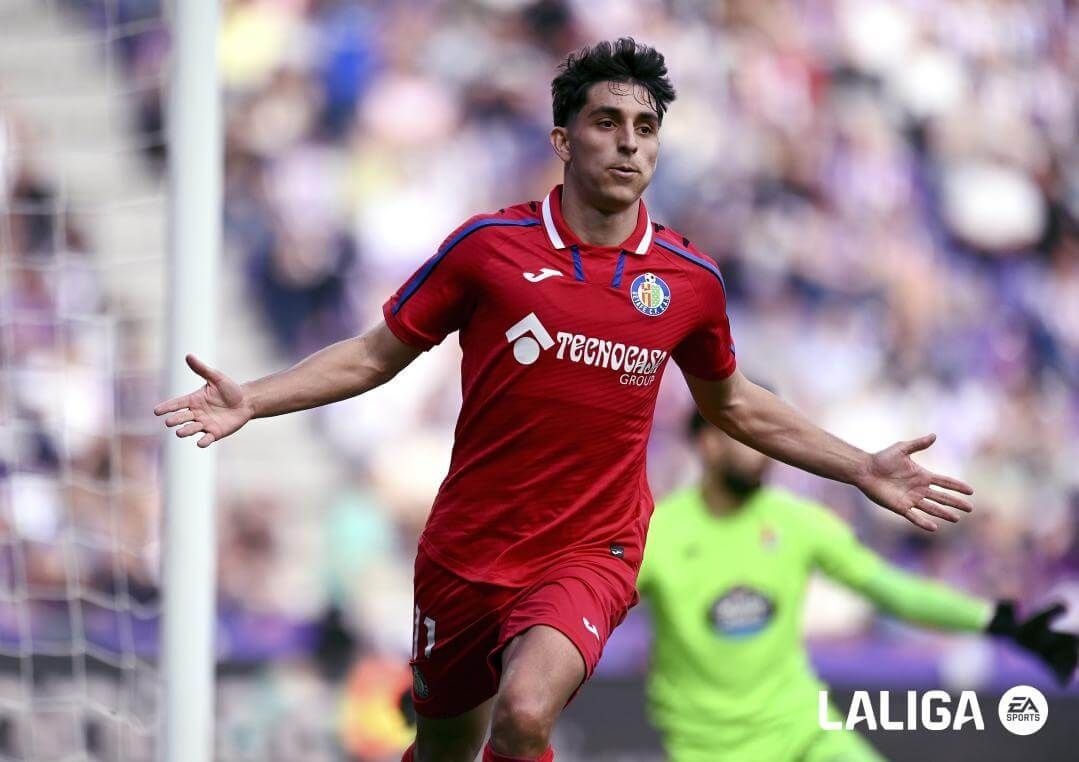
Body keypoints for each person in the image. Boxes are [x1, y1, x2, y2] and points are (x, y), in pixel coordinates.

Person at [154, 39, 976, 762]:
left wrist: (859, 466)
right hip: (467, 549)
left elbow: (735, 405)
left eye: (645, 127)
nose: (628, 142)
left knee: (523, 713)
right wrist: (253, 398)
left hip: (590, 549)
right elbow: (375, 355)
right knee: (445, 747)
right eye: (606, 122)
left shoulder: (688, 282)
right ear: (561, 139)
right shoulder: (489, 251)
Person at [638, 409, 1078, 762]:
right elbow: (599, 611)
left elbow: (891, 589)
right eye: (743, 433)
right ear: (706, 442)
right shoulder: (657, 533)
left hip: (803, 732)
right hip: (708, 749)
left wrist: (997, 620)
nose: (760, 448)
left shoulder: (797, 521)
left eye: (764, 436)